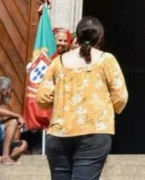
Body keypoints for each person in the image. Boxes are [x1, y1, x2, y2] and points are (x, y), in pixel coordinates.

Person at [37, 16, 128, 180]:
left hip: (59, 134)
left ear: (76, 37)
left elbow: (42, 98)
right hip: (94, 132)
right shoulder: (106, 60)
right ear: (100, 36)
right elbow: (120, 97)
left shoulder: (58, 62)